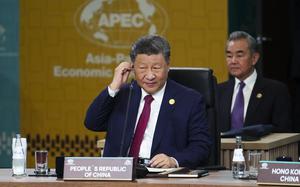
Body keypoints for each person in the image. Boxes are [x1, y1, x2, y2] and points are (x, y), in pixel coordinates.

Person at [84, 35, 211, 169]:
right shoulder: (121, 94)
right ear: (132, 67)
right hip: (119, 175)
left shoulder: (189, 100)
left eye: (156, 68)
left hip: (162, 178)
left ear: (168, 65)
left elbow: (201, 146)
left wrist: (173, 160)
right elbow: (92, 123)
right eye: (143, 68)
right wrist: (115, 85)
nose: (150, 76)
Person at [218, 31, 292, 133]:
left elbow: (283, 133)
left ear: (254, 58)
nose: (233, 61)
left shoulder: (276, 91)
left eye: (239, 55)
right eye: (229, 56)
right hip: (224, 148)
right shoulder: (218, 91)